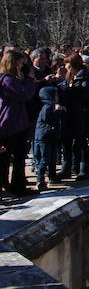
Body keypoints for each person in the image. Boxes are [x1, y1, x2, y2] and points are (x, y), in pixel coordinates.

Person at [0, 51, 37, 194]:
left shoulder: (10, 79)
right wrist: (29, 80)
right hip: (11, 124)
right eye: (22, 63)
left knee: (16, 157)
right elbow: (24, 95)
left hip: (16, 122)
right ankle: (13, 186)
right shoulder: (8, 80)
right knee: (11, 157)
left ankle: (14, 185)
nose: (23, 66)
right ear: (14, 63)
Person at [59, 54, 89, 180]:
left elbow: (84, 93)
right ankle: (67, 167)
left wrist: (69, 90)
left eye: (67, 64)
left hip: (82, 113)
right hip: (70, 112)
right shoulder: (70, 76)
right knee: (67, 142)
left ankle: (84, 169)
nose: (65, 67)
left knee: (81, 141)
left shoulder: (84, 76)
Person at [34, 86, 63, 189]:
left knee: (52, 158)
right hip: (45, 136)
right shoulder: (47, 107)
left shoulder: (51, 106)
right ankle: (40, 179)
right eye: (55, 95)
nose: (57, 96)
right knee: (45, 158)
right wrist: (58, 111)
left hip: (51, 135)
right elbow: (49, 120)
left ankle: (52, 176)